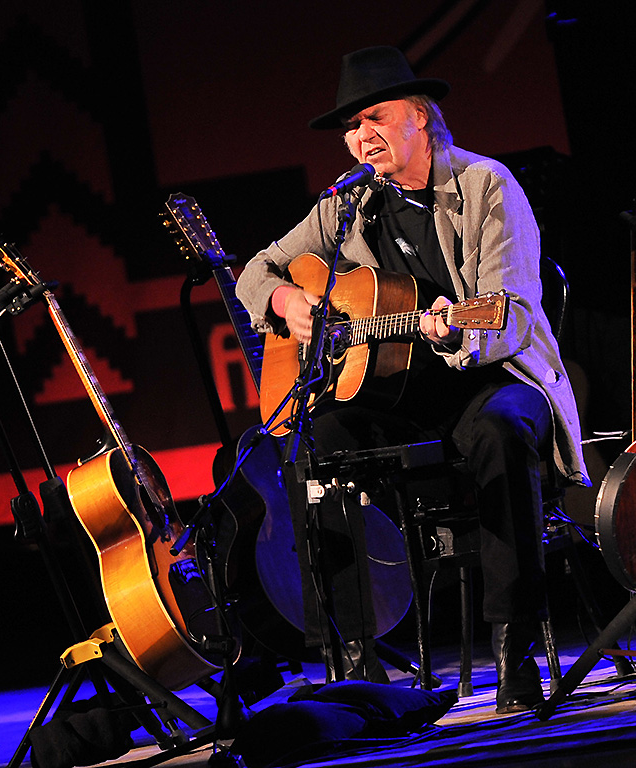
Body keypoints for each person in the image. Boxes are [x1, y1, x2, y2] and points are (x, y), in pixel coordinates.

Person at [236, 45, 590, 714]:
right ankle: (353, 662)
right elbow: (257, 271)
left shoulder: (486, 186)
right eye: (351, 126)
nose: (360, 136)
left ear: (420, 116)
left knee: (503, 428)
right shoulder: (349, 205)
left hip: (491, 378)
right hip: (398, 395)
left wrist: (454, 330)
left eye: (375, 117)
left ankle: (513, 651)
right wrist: (284, 301)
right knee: (311, 442)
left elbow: (512, 315)